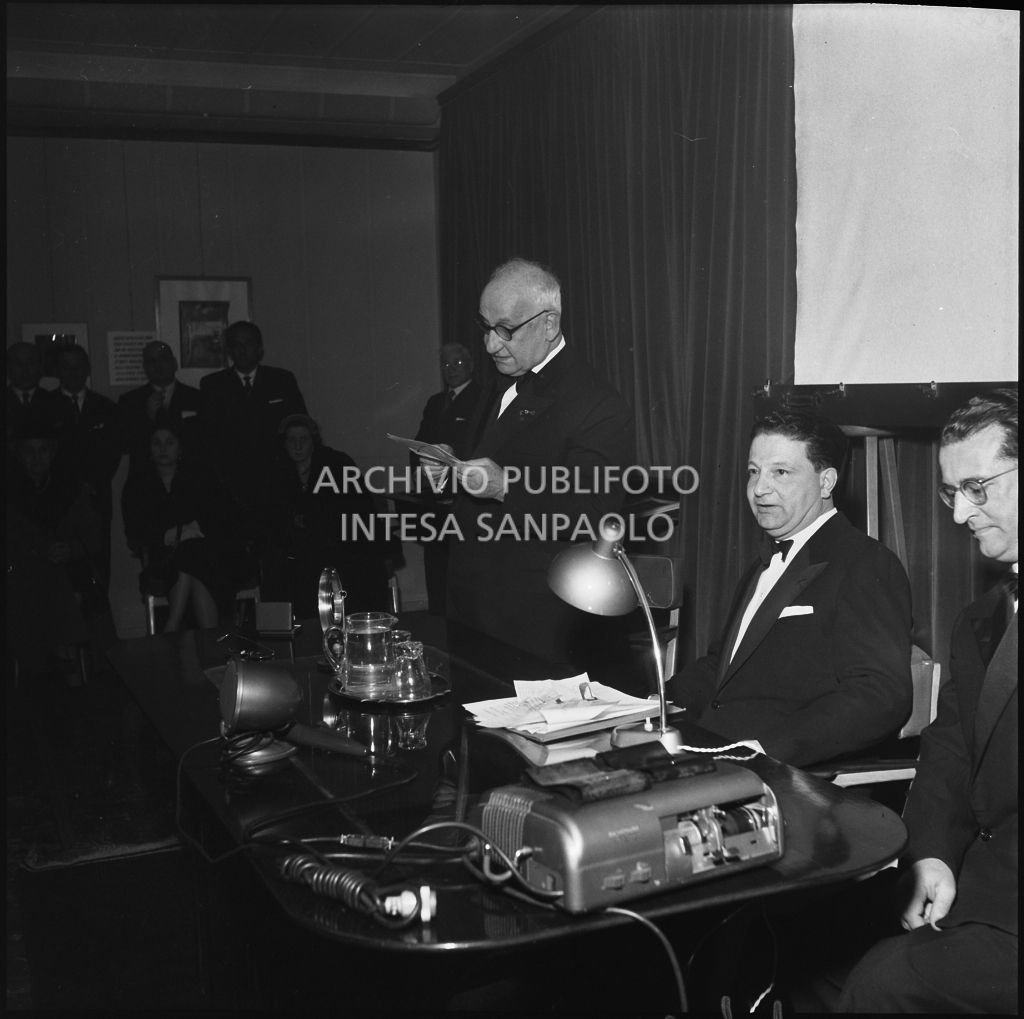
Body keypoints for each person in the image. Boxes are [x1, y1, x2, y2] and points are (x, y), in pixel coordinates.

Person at [838, 389, 1018, 1013]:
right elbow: (950, 751)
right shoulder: (981, 621)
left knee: (879, 983)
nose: (960, 513)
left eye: (978, 487)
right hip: (982, 886)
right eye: (951, 493)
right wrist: (933, 852)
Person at [665, 410, 913, 767]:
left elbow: (879, 695)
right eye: (754, 472)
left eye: (780, 472)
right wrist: (649, 705)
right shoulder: (761, 564)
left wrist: (768, 748)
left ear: (826, 483)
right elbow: (721, 668)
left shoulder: (866, 563)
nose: (759, 489)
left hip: (783, 771)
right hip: (715, 754)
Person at [434, 258, 635, 669]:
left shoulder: (597, 403)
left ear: (549, 324)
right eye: (486, 327)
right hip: (470, 604)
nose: (490, 345)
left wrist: (507, 486)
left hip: (531, 620)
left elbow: (595, 511)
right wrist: (448, 463)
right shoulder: (501, 380)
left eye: (506, 330)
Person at [121, 423, 254, 632]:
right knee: (190, 559)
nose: (162, 449)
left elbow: (223, 517)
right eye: (156, 443)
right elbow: (135, 533)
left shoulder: (200, 478)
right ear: (149, 448)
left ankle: (172, 627)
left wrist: (191, 531)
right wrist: (167, 536)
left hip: (209, 554)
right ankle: (210, 638)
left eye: (169, 443)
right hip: (164, 559)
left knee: (192, 554)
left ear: (180, 448)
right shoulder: (137, 485)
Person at [260, 414, 391, 619]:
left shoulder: (338, 464)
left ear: (313, 441)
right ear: (284, 443)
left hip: (339, 546)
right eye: (291, 440)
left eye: (303, 439)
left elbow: (357, 511)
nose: (297, 446)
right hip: (297, 553)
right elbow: (271, 517)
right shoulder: (277, 471)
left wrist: (315, 520)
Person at [6, 421, 107, 680]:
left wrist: (70, 550)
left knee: (63, 576)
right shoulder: (8, 493)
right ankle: (63, 652)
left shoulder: (71, 490)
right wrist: (39, 551)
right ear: (18, 454)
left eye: (43, 450)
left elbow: (92, 537)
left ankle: (62, 658)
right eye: (29, 451)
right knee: (45, 576)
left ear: (52, 453)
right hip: (21, 572)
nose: (37, 458)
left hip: (69, 567)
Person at [198, 320, 307, 541]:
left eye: (248, 343)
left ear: (260, 349)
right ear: (229, 350)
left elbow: (300, 427)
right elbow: (208, 439)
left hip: (275, 482)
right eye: (236, 345)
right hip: (231, 486)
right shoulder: (213, 385)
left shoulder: (281, 380)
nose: (242, 350)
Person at [412, 342, 485, 613]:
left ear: (471, 366)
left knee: (463, 577)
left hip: (463, 499)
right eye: (445, 364)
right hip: (433, 500)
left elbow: (476, 450)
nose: (451, 369)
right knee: (436, 572)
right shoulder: (435, 402)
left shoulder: (483, 398)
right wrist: (422, 475)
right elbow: (420, 444)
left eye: (457, 363)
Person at [53, 344, 121, 592]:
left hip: (95, 501)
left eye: (78, 366)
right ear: (58, 371)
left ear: (87, 369)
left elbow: (112, 454)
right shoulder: (46, 405)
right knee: (61, 576)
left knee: (97, 572)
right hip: (56, 503)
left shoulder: (106, 407)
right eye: (66, 367)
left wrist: (91, 483)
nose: (73, 372)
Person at [117, 340, 202, 477]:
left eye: (163, 358)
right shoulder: (129, 401)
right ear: (145, 367)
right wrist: (148, 417)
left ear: (174, 363)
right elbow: (125, 445)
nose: (158, 365)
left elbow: (201, 441)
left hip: (190, 476)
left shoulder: (197, 398)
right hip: (144, 478)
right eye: (151, 361)